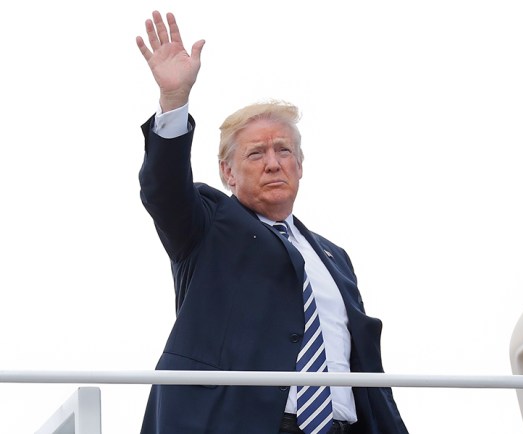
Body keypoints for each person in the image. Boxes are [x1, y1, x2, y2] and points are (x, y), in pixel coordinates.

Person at [135, 11, 409, 434]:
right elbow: (164, 189)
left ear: (300, 165)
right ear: (227, 172)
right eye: (255, 154)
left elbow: (364, 364)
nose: (273, 163)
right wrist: (174, 103)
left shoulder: (335, 258)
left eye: (283, 150)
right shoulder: (207, 224)